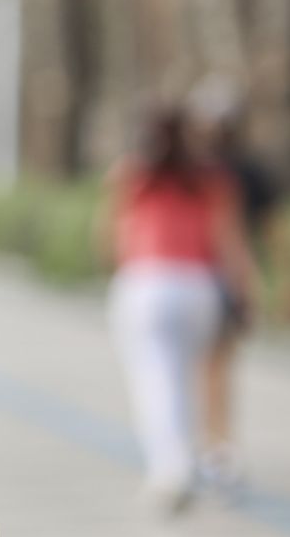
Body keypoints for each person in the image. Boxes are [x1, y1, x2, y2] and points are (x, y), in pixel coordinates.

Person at [100, 102, 257, 513]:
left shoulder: (131, 176)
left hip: (145, 282)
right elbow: (231, 246)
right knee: (191, 377)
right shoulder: (212, 181)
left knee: (153, 377)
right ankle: (195, 458)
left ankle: (170, 470)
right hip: (198, 287)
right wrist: (245, 295)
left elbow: (109, 242)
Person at [186, 76, 290, 493]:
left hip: (217, 276)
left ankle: (213, 445)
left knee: (212, 363)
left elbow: (275, 231)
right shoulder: (199, 169)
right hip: (210, 275)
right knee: (212, 364)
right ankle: (212, 445)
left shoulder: (235, 171)